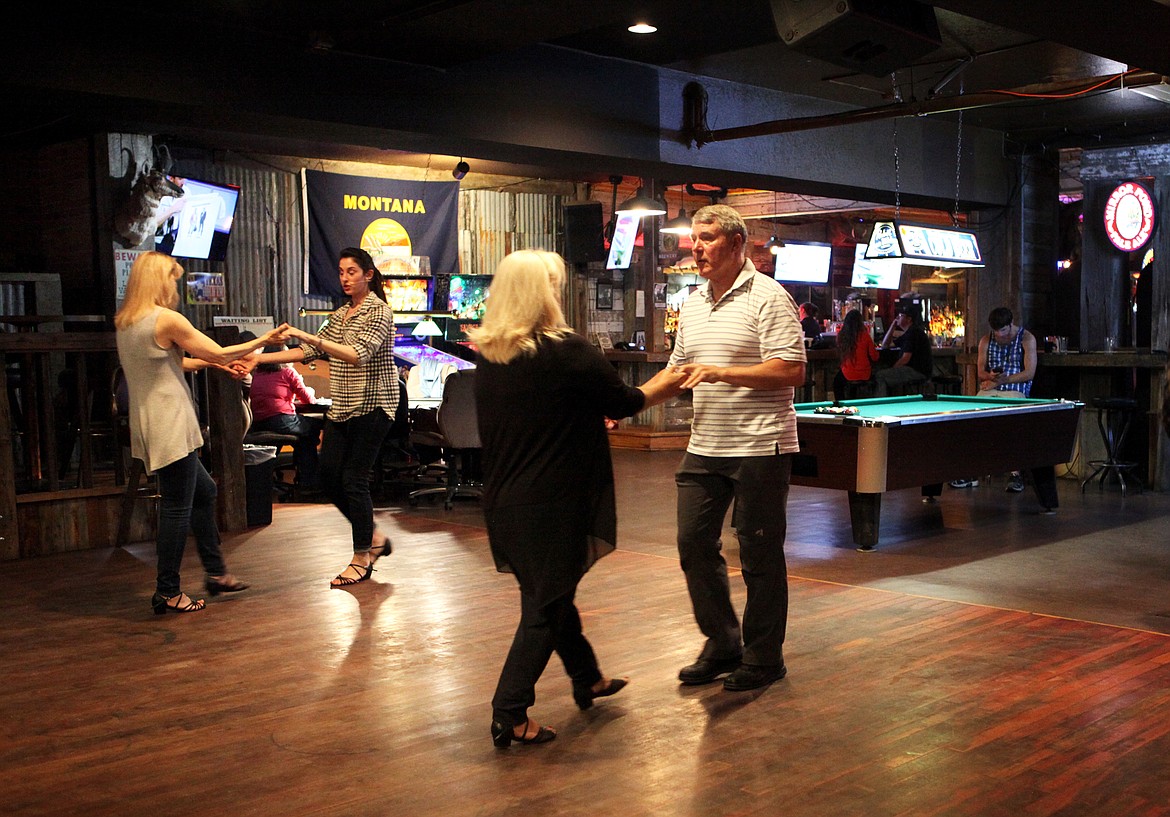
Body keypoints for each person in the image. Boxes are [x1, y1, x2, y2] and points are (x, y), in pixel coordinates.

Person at [470, 249, 687, 748]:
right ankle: (509, 710)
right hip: (554, 499)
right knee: (546, 604)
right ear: (541, 292)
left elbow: (546, 412)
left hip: (505, 498)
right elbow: (623, 402)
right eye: (554, 284)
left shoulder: (492, 354)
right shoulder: (567, 349)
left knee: (549, 593)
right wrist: (668, 383)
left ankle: (587, 677)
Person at [646, 204, 807, 692]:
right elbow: (678, 371)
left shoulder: (769, 298)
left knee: (759, 554)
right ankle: (722, 642)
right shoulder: (693, 303)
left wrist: (721, 372)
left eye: (708, 238)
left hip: (762, 445)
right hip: (705, 446)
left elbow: (791, 368)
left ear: (737, 245)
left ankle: (763, 657)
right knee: (693, 545)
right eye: (694, 239)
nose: (696, 247)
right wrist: (627, 403)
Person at [114, 251, 289, 614]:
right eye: (173, 278)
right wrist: (263, 340)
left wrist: (217, 367)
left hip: (150, 423)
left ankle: (216, 574)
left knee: (204, 492)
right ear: (160, 281)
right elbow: (222, 352)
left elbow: (176, 362)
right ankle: (168, 590)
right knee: (177, 507)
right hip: (171, 423)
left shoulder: (129, 322)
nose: (175, 285)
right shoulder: (166, 320)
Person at [242, 248, 398, 587]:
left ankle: (361, 556)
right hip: (342, 407)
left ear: (368, 275)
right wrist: (258, 359)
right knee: (328, 477)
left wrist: (307, 335)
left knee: (354, 479)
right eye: (341, 271)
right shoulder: (340, 313)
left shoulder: (379, 311)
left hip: (373, 406)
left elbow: (357, 354)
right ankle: (372, 536)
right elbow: (309, 352)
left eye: (352, 271)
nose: (345, 278)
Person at [950, 306, 1043, 496]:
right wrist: (990, 376)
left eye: (1002, 330)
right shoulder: (986, 340)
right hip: (990, 390)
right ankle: (970, 473)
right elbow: (980, 372)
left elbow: (1029, 373)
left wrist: (1005, 379)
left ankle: (1015, 474)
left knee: (1012, 424)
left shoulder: (1027, 338)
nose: (999, 335)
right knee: (969, 420)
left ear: (1010, 325)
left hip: (1015, 392)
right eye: (995, 331)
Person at [247, 344, 325, 493]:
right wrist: (309, 391)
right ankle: (309, 482)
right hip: (281, 421)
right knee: (317, 426)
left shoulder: (256, 374)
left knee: (304, 438)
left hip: (259, 423)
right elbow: (309, 400)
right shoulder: (288, 372)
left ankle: (307, 480)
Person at [874, 301, 932, 397]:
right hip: (917, 371)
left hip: (917, 371)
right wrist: (893, 326)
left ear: (909, 319)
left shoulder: (913, 333)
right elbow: (885, 345)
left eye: (901, 315)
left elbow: (905, 359)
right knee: (886, 375)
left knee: (880, 375)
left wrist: (892, 369)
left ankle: (881, 403)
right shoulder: (909, 332)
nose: (897, 317)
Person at [832, 308, 879, 399]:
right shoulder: (865, 335)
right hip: (865, 374)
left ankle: (840, 405)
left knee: (837, 383)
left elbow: (838, 353)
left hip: (848, 373)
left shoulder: (841, 336)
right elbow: (875, 357)